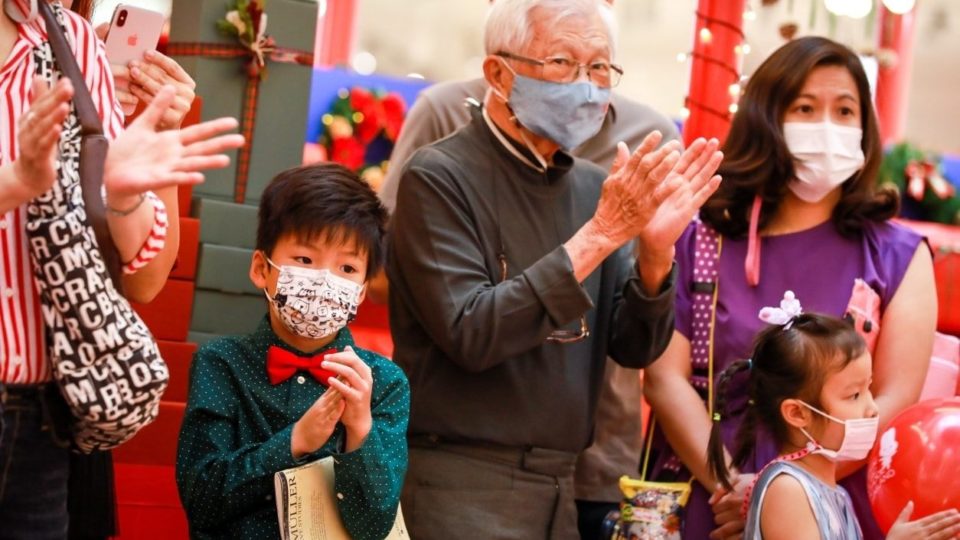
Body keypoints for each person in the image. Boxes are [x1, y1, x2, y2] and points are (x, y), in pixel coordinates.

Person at [386, 0, 722, 537]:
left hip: (562, 485)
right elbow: (471, 333)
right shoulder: (439, 175)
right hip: (460, 478)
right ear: (498, 73)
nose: (587, 87)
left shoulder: (592, 187)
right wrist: (602, 235)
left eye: (599, 69)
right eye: (564, 63)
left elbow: (632, 348)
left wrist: (657, 254)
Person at [642, 36, 937, 540]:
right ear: (766, 118)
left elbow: (892, 399)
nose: (828, 125)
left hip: (831, 505)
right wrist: (735, 487)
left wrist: (785, 491)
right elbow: (664, 378)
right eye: (805, 107)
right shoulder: (700, 238)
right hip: (710, 499)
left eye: (846, 111)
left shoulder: (899, 255)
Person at [0, 0, 244, 537]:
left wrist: (140, 171)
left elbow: (144, 277)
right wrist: (16, 182)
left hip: (42, 409)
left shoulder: (72, 46)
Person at [175, 164, 409, 540]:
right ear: (261, 269)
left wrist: (359, 429)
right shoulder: (221, 364)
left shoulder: (383, 383)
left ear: (362, 292)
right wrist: (295, 442)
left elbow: (375, 525)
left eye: (347, 267)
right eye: (305, 259)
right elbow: (202, 499)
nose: (324, 280)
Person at [705, 311, 960, 539]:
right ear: (797, 413)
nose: (872, 408)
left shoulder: (834, 491)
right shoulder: (788, 490)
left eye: (868, 388)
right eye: (854, 396)